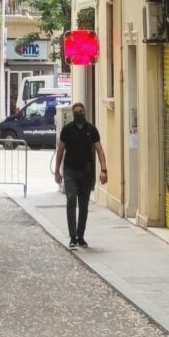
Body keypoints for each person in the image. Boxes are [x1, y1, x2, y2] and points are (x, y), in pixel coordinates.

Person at [53, 100, 106, 248]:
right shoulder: (67, 130)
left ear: (84, 112)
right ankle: (72, 237)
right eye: (75, 112)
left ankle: (81, 236)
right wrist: (57, 171)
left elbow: (100, 150)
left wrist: (104, 170)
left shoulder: (92, 130)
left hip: (87, 173)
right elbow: (60, 150)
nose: (78, 114)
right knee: (71, 201)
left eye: (80, 112)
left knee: (83, 206)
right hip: (70, 172)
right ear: (72, 113)